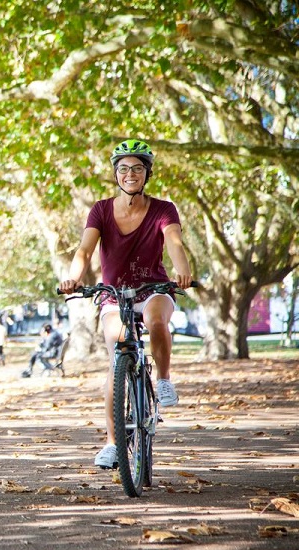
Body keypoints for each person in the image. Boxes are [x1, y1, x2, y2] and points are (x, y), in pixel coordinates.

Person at [58, 139, 193, 469]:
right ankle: (113, 443)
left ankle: (163, 380)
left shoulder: (163, 209)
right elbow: (84, 250)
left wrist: (183, 272)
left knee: (157, 320)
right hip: (114, 293)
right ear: (115, 174)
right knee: (117, 355)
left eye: (137, 168)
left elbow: (174, 242)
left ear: (147, 174)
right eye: (123, 168)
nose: (130, 174)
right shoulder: (101, 210)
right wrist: (72, 278)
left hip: (153, 287)